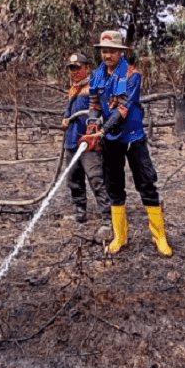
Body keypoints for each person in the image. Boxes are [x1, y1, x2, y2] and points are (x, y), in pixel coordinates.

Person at [79, 31, 173, 256]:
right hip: (110, 140)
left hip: (133, 137)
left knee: (146, 182)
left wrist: (102, 130)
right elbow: (94, 102)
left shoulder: (133, 75)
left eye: (111, 51)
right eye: (104, 51)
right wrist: (92, 124)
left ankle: (159, 236)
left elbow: (124, 108)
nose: (107, 55)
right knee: (114, 185)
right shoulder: (97, 76)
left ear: (121, 52)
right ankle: (120, 236)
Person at [61, 52, 112, 234]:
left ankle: (107, 219)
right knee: (74, 179)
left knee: (96, 179)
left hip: (90, 142)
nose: (74, 72)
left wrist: (97, 129)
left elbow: (102, 111)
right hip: (72, 140)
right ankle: (80, 211)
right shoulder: (73, 89)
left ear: (86, 68)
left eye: (77, 68)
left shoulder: (94, 87)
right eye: (71, 69)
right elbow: (69, 110)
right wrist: (66, 119)